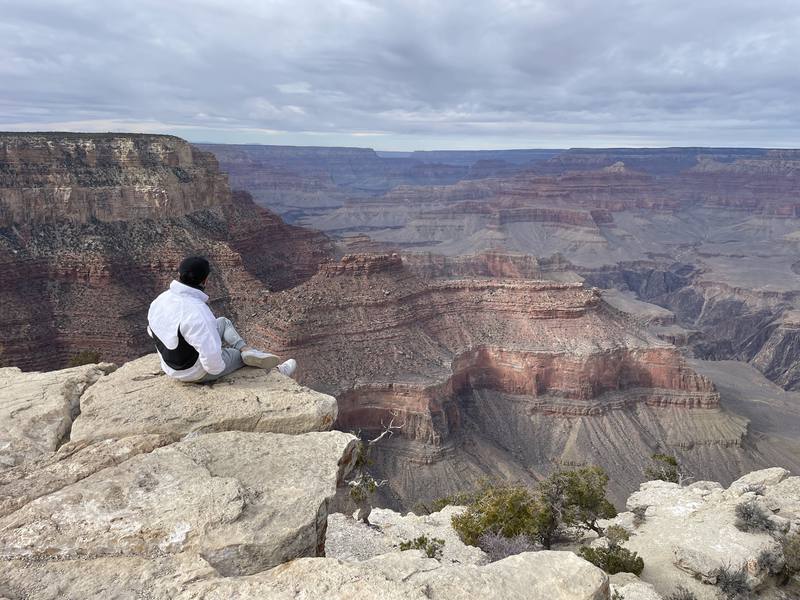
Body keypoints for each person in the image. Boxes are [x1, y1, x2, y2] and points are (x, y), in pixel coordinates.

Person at [147, 256, 296, 383]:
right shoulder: (197, 311)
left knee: (223, 322)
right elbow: (213, 362)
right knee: (240, 357)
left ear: (179, 274)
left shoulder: (160, 300)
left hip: (170, 365)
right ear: (205, 280)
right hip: (193, 372)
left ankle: (247, 349)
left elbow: (152, 331)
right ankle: (276, 372)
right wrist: (223, 362)